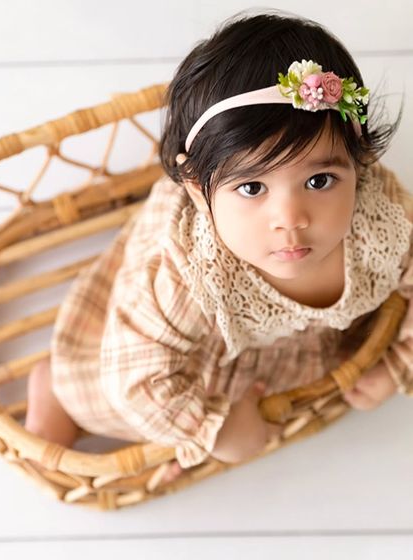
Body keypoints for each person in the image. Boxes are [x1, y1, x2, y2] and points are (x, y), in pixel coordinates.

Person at [25, 10, 413, 485]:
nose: (290, 220)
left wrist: (397, 365)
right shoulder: (188, 277)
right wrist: (213, 430)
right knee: (104, 400)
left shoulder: (382, 222)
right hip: (160, 347)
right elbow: (137, 378)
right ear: (196, 190)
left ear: (360, 164)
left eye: (319, 179)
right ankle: (53, 394)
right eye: (252, 188)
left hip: (284, 348)